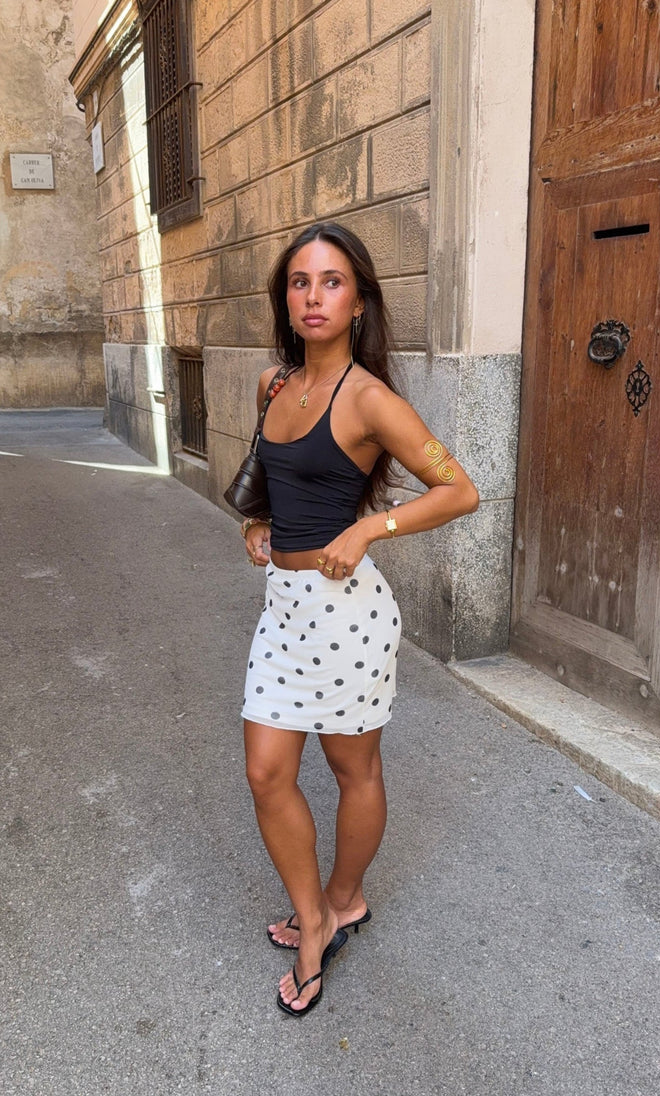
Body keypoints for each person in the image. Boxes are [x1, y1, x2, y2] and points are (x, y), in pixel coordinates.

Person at [240, 221, 480, 1017]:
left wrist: (369, 528)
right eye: (300, 281)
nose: (314, 296)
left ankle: (343, 901)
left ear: (358, 303)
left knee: (354, 773)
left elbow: (459, 490)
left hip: (347, 618)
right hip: (284, 610)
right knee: (266, 772)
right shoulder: (274, 384)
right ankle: (311, 914)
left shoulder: (370, 399)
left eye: (332, 281)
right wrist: (258, 523)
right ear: (286, 298)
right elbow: (275, 478)